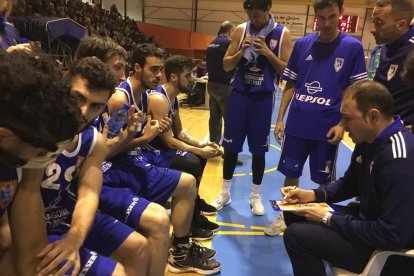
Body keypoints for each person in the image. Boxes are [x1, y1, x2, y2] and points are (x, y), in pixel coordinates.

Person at [77, 40, 220, 274]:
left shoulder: (141, 97)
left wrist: (138, 133)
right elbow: (110, 149)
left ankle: (181, 249)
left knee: (187, 182)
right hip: (116, 170)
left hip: (130, 160)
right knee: (163, 211)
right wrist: (143, 136)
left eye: (160, 69)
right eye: (116, 67)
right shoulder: (119, 100)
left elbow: (111, 142)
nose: (121, 74)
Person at [282, 80, 414, 276]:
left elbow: (392, 234)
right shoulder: (368, 141)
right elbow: (349, 184)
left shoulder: (398, 158)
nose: (342, 126)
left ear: (372, 117)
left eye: (346, 119)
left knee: (296, 236)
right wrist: (312, 195)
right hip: (368, 221)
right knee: (294, 212)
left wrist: (328, 218)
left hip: (386, 247)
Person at [38, 57, 150, 276]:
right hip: (32, 225)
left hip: (67, 218)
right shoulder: (35, 128)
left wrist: (74, 239)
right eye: (77, 97)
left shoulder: (93, 140)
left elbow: (89, 193)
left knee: (139, 246)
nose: (83, 111)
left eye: (95, 106)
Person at [264, 0, 367, 236]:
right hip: (298, 124)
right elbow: (290, 83)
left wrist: (343, 124)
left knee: (324, 183)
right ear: (315, 16)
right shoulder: (303, 44)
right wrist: (280, 119)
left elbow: (356, 91)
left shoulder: (352, 47)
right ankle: (286, 216)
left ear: (340, 13)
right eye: (322, 17)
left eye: (332, 16)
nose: (327, 23)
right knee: (291, 174)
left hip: (328, 129)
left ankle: (322, 222)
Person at [0, 51, 81, 275]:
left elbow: (31, 256)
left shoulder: (13, 149)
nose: (46, 159)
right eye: (42, 151)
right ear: (4, 136)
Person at [211, 0, 292, 216]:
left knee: (258, 150)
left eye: (257, 15)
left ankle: (255, 196)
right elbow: (226, 64)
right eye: (249, 15)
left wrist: (267, 53)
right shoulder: (241, 30)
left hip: (262, 99)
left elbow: (287, 71)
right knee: (230, 148)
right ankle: (225, 192)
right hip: (238, 96)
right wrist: (241, 51)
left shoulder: (282, 33)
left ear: (268, 10)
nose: (252, 19)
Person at [206, 21, 244, 165]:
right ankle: (229, 153)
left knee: (214, 119)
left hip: (212, 84)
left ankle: (213, 149)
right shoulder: (228, 43)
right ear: (231, 31)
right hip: (225, 86)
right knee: (231, 121)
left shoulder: (212, 43)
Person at [372, 0, 414, 129]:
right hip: (377, 131)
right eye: (373, 21)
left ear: (400, 25)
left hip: (404, 138)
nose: (372, 29)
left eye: (379, 23)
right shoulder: (385, 47)